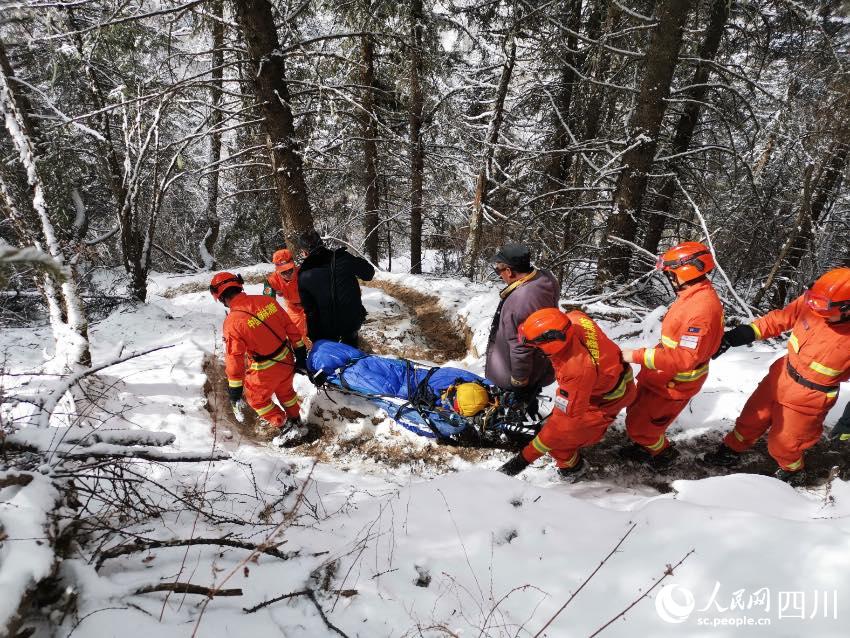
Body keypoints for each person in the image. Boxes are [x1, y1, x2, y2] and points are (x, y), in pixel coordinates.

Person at [704, 267, 850, 484]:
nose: (814, 308)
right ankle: (731, 449)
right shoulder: (815, 301)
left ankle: (792, 471)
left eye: (823, 306)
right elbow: (780, 318)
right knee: (751, 418)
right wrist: (739, 335)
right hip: (780, 375)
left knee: (784, 445)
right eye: (813, 300)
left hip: (809, 398)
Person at [618, 241, 724, 468]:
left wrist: (635, 356)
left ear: (685, 271)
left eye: (670, 273)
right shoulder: (691, 295)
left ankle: (662, 454)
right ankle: (645, 442)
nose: (669, 277)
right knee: (638, 415)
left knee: (643, 428)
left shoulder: (701, 310)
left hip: (673, 385)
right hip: (660, 376)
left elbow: (685, 359)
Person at [498, 307, 636, 480]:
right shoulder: (574, 319)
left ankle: (573, 469)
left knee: (557, 442)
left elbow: (561, 423)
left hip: (604, 403)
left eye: (537, 346)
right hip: (615, 378)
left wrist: (521, 460)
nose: (535, 349)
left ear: (552, 343)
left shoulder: (576, 370)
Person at [209, 271, 309, 445]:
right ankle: (296, 420)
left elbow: (235, 358)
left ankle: (285, 426)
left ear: (221, 297)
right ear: (238, 286)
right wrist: (300, 355)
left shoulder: (233, 322)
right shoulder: (267, 301)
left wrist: (235, 390)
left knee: (256, 399)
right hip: (286, 358)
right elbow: (291, 328)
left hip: (265, 368)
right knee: (286, 393)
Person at [485, 243, 560, 415]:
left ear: (510, 271)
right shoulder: (543, 280)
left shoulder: (521, 301)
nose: (500, 275)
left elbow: (521, 347)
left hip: (521, 374)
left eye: (499, 271)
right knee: (529, 402)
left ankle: (520, 434)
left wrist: (519, 383)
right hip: (540, 364)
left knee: (515, 410)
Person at [297, 230, 375, 347]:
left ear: (304, 252)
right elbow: (369, 273)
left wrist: (314, 337)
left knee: (335, 361)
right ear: (322, 243)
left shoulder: (303, 274)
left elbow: (310, 309)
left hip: (325, 331)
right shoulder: (342, 258)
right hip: (351, 323)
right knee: (351, 354)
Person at [263, 248, 308, 343]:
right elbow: (267, 303)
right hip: (293, 307)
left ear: (293, 265)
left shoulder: (303, 273)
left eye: (290, 270)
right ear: (277, 270)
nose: (288, 274)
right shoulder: (272, 281)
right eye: (283, 272)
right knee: (295, 331)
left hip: (308, 304)